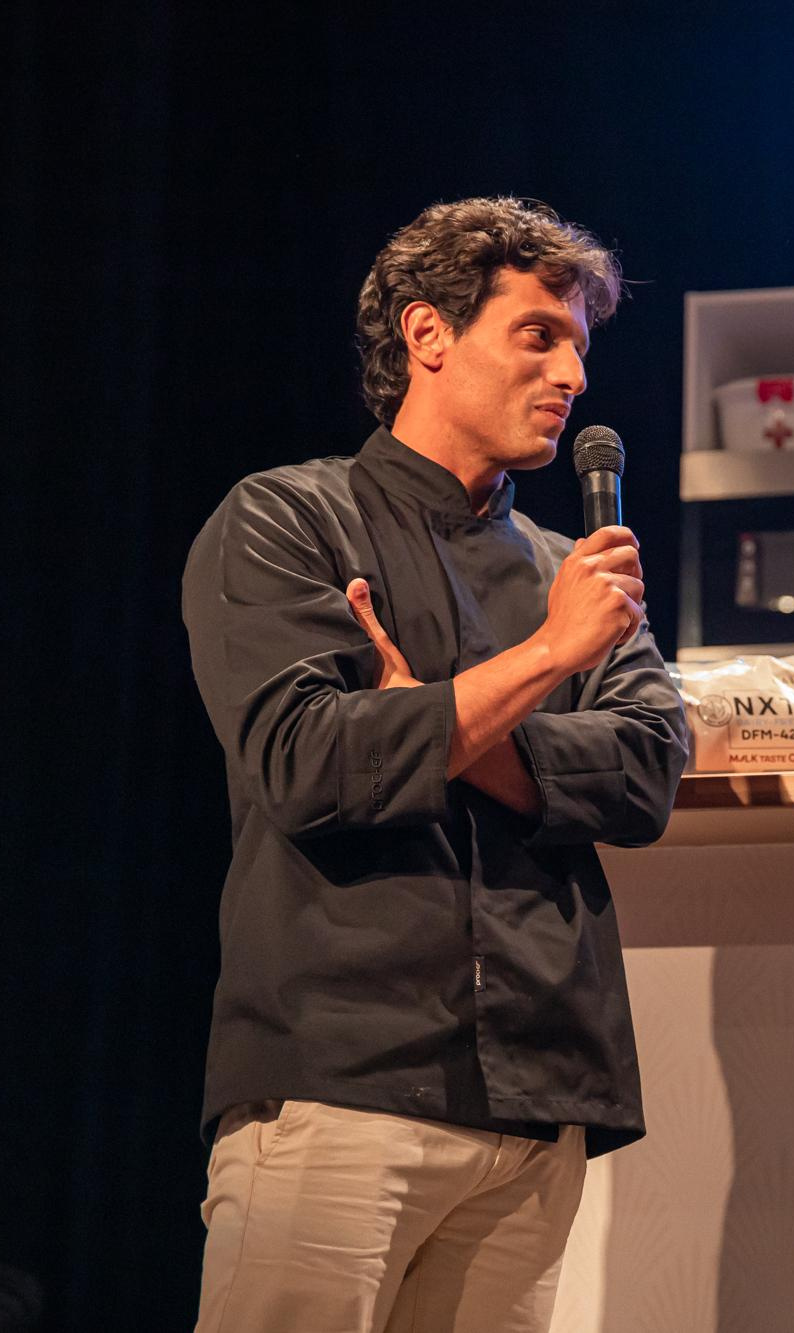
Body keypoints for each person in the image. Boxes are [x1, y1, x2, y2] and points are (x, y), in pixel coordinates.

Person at [181, 196, 690, 1332]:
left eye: (579, 349)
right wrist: (551, 657)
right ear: (427, 335)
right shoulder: (286, 519)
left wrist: (439, 724)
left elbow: (648, 771)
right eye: (538, 336)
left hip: (540, 1092)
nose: (573, 376)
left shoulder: (575, 567)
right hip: (344, 1077)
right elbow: (308, 760)